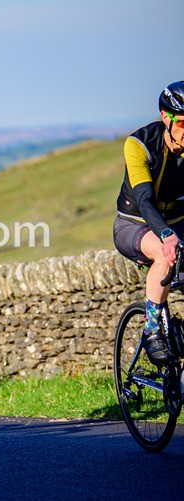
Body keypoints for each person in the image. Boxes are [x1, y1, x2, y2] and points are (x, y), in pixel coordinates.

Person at [114, 81, 184, 365]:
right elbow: (144, 199)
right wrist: (166, 234)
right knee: (165, 255)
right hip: (134, 223)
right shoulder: (139, 144)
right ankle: (153, 330)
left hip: (178, 220)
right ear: (166, 117)